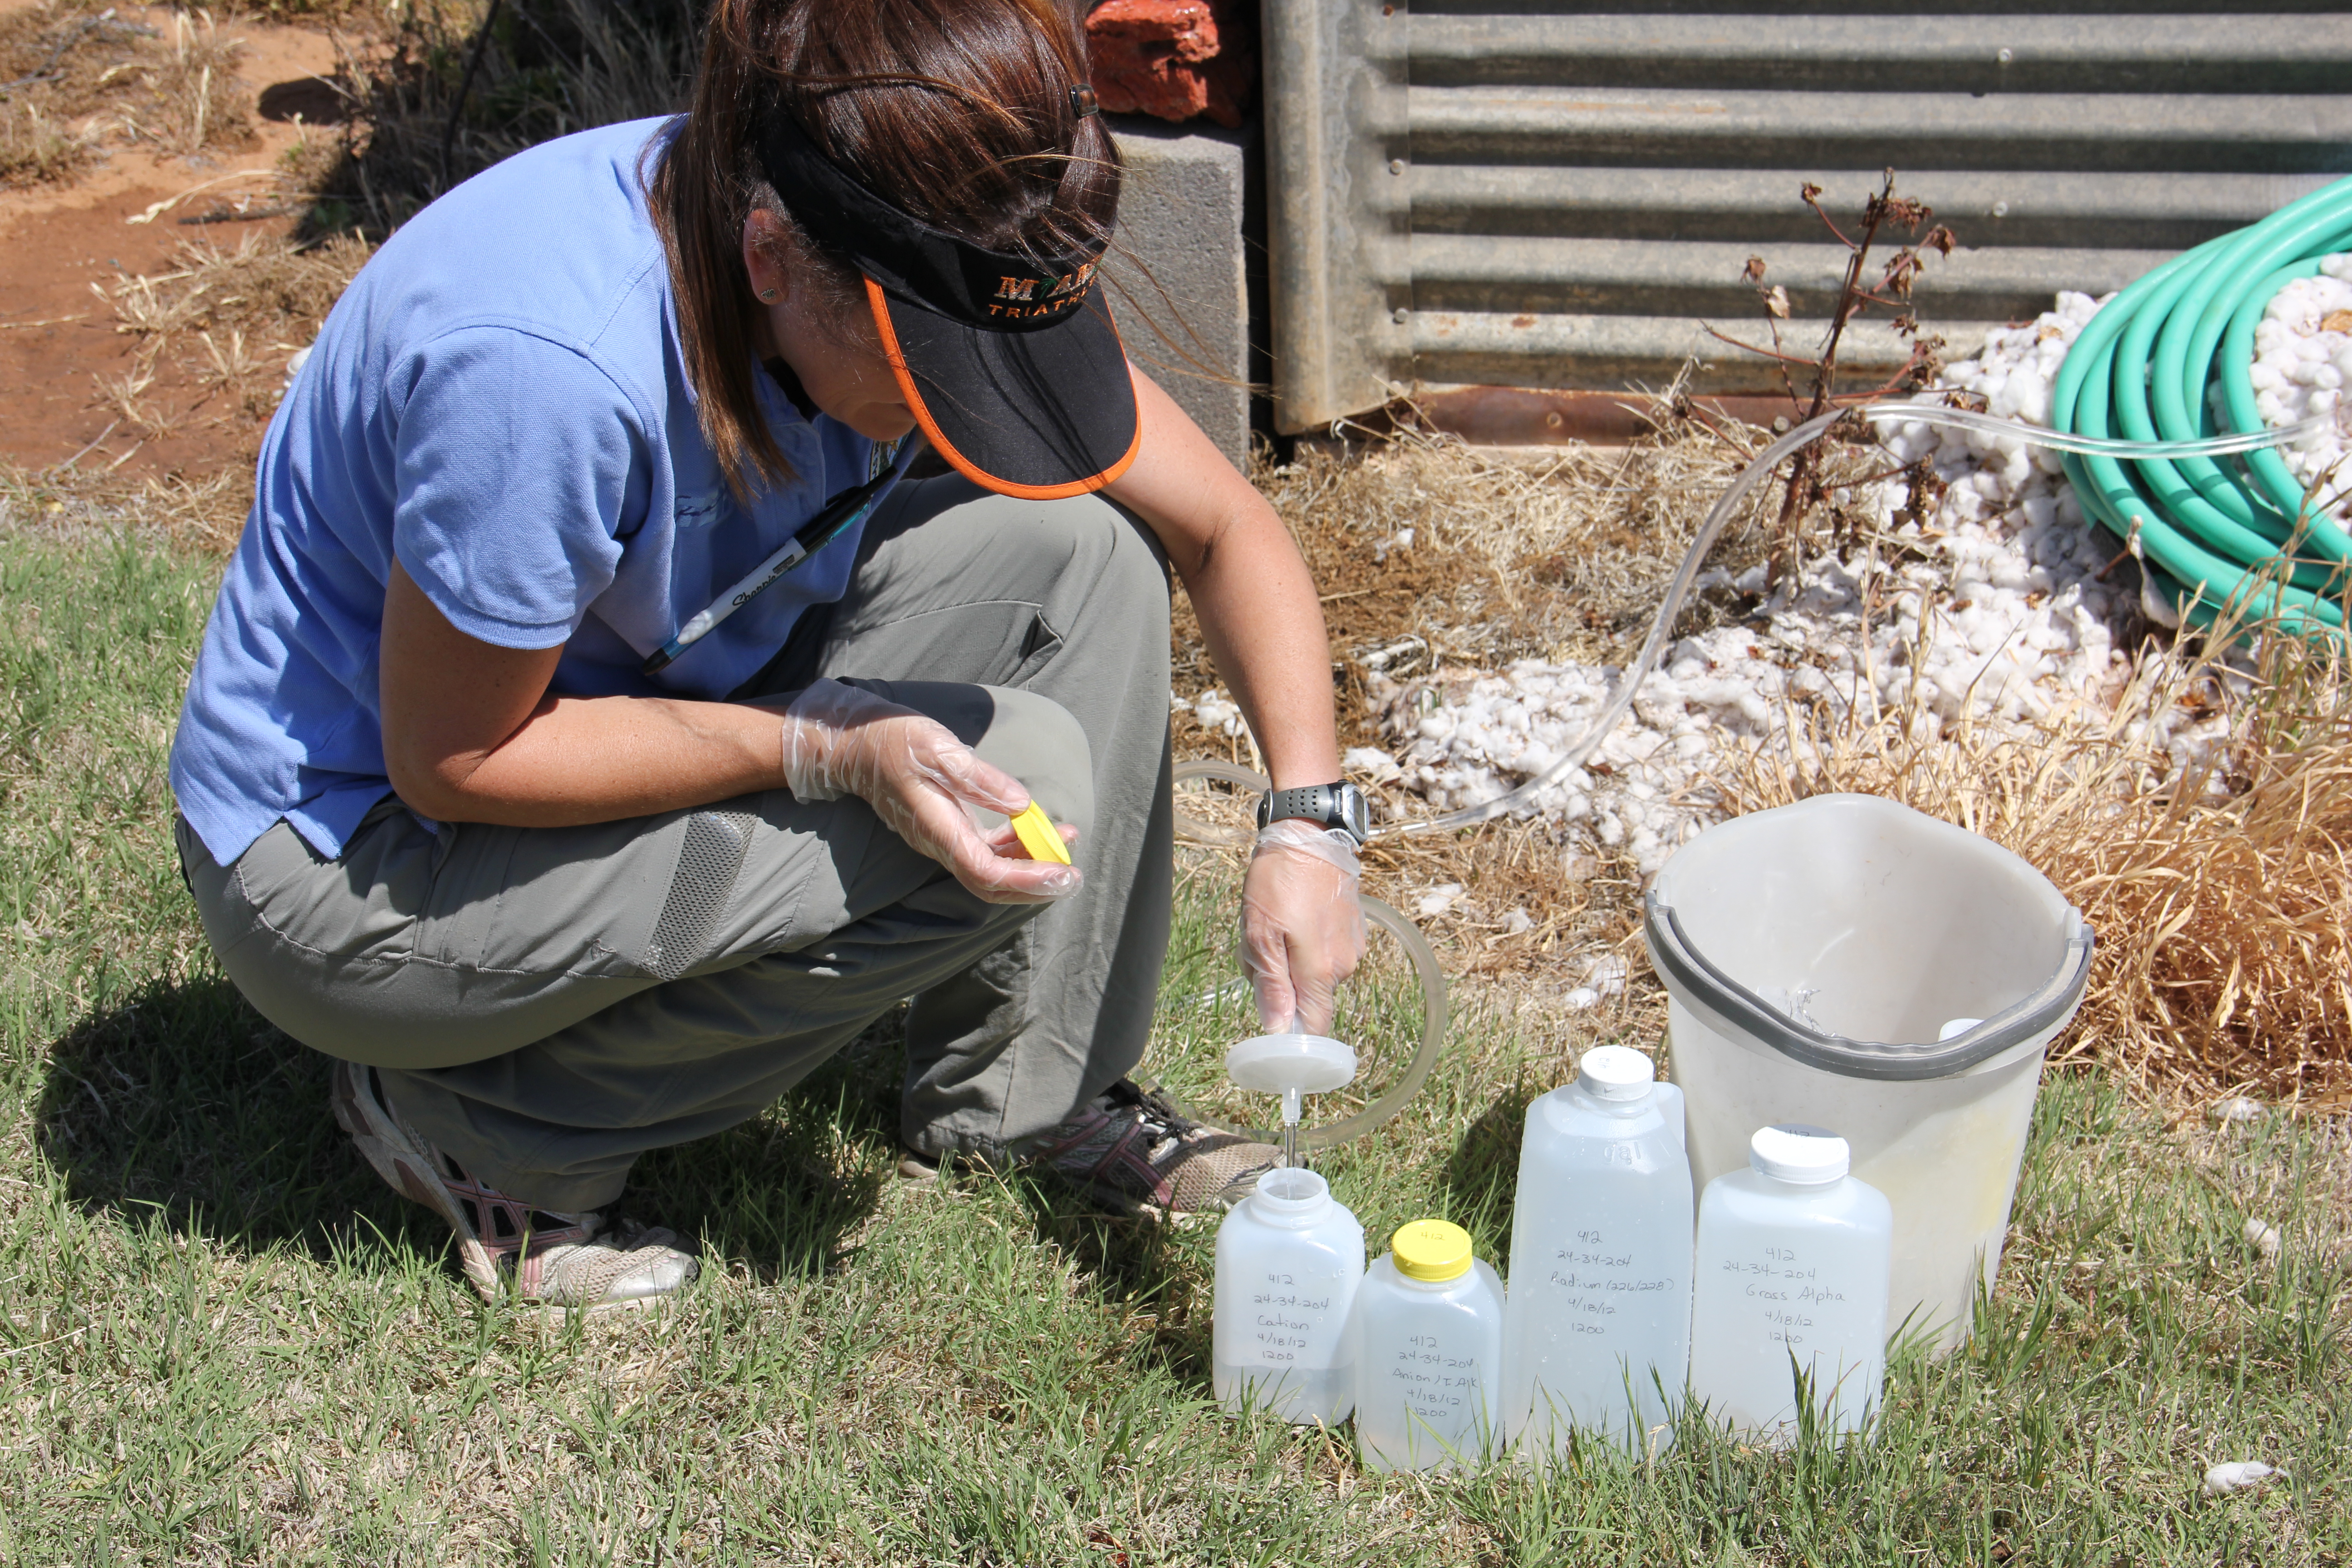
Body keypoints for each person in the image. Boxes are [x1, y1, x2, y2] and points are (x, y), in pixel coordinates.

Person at [167, 0, 1368, 1314]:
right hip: (358, 862)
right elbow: (454, 758)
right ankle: (482, 1126)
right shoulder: (546, 370)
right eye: (934, 376)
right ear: (771, 260)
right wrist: (823, 746)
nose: (957, 413)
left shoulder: (900, 205)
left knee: (1082, 556)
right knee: (1016, 788)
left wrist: (1307, 826)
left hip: (613, 696)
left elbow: (1221, 525)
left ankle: (1030, 1096)